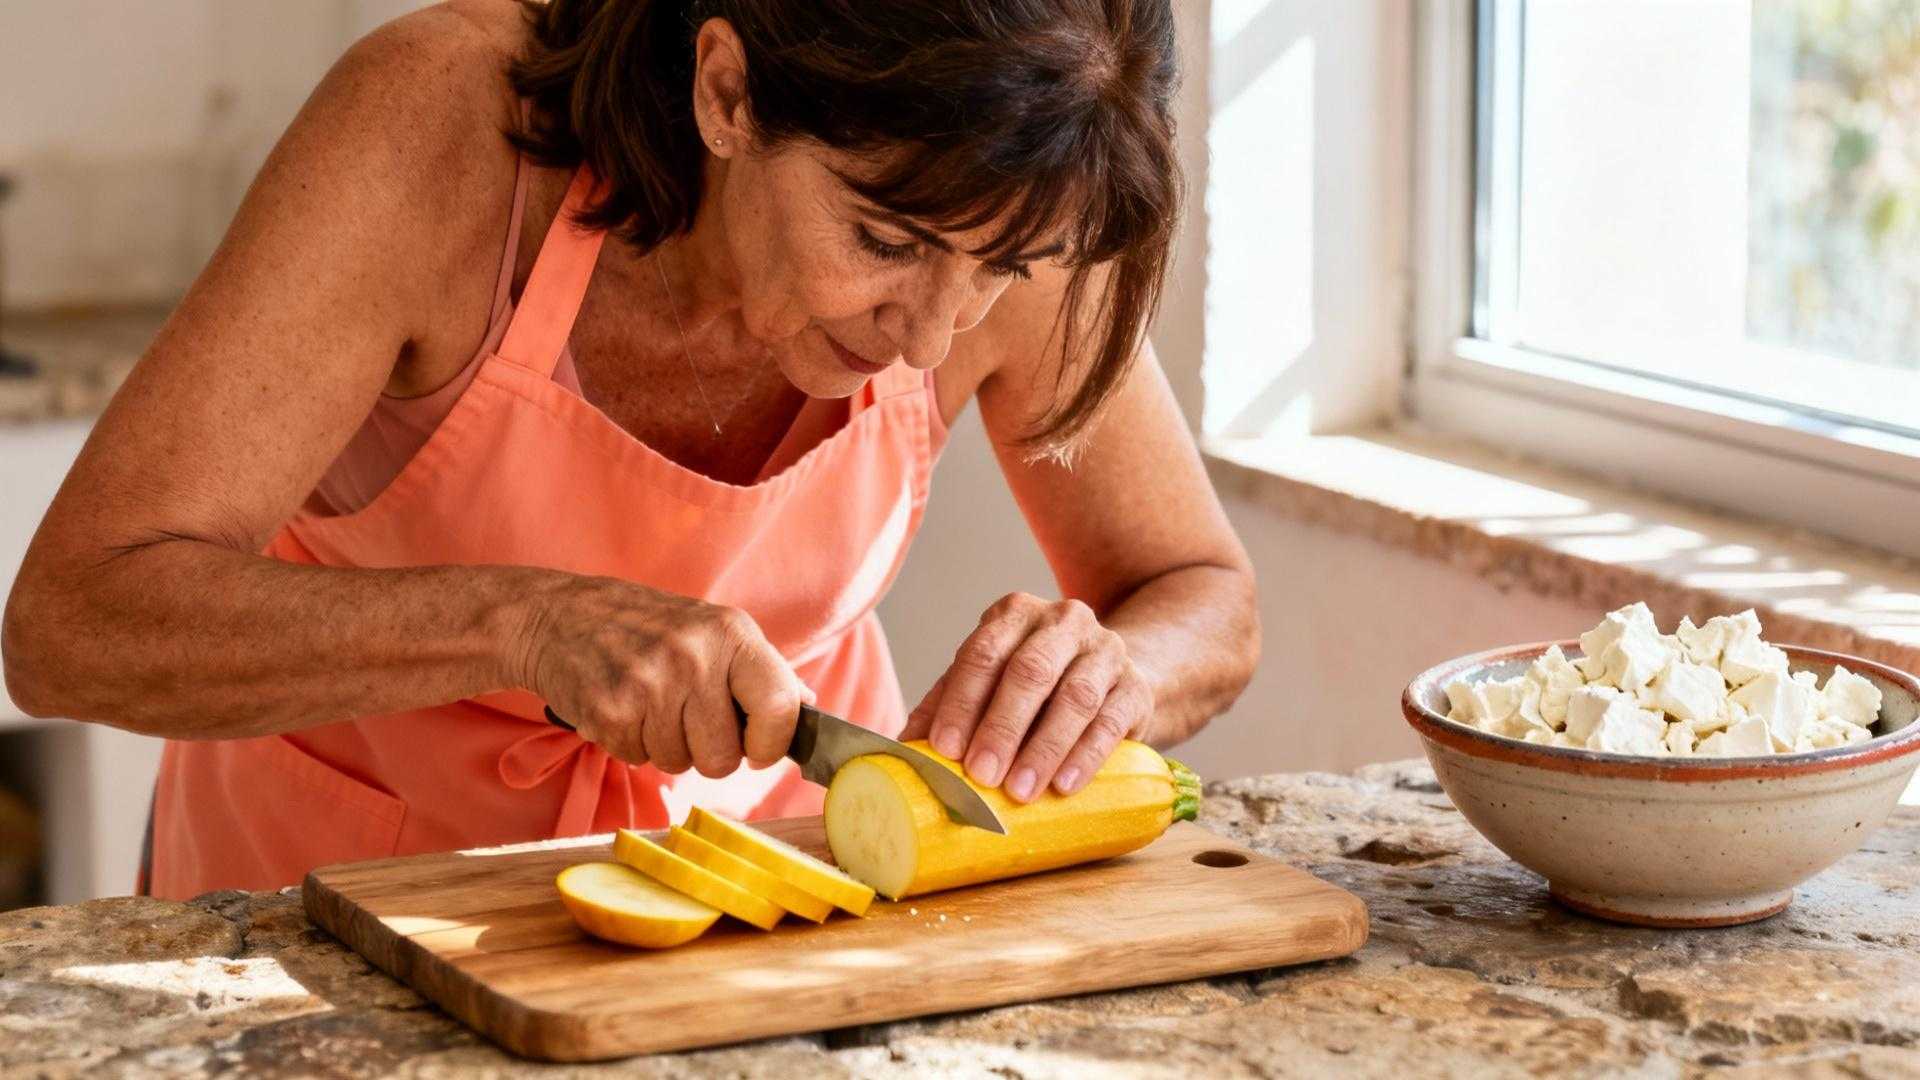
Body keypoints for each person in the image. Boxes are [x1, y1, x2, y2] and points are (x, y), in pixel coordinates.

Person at [1, 0, 1258, 899]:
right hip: (328, 918)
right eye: (883, 243)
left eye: (1004, 274)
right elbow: (71, 621)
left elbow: (1199, 592)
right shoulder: (439, 126)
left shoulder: (1010, 196)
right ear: (727, 89)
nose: (932, 338)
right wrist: (521, 624)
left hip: (766, 909)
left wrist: (1112, 676)